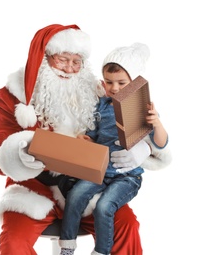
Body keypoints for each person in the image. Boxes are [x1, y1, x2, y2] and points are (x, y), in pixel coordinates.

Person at [0, 24, 172, 255]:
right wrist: (19, 153)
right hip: (35, 190)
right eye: (62, 60)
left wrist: (143, 148)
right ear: (43, 58)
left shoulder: (99, 91)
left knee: (127, 226)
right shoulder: (11, 97)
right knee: (13, 243)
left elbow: (136, 126)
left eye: (77, 61)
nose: (70, 69)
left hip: (94, 187)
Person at [58, 43, 169, 255]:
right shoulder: (101, 105)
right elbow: (93, 132)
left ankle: (101, 251)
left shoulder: (143, 108)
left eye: (121, 83)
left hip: (127, 176)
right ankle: (67, 246)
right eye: (109, 82)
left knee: (104, 207)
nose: (115, 88)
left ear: (134, 83)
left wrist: (157, 124)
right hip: (100, 170)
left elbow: (161, 143)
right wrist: (87, 139)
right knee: (75, 195)